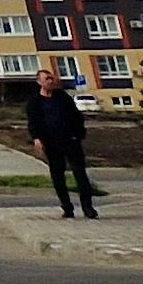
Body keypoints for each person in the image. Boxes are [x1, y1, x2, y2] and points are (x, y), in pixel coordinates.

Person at [31, 63, 101, 218]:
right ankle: (67, 207)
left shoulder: (62, 97)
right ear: (39, 82)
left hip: (70, 141)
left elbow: (77, 116)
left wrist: (78, 135)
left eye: (51, 78)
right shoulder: (35, 102)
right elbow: (33, 122)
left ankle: (88, 207)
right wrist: (37, 138)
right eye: (46, 79)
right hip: (51, 143)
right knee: (58, 176)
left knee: (80, 174)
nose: (50, 81)